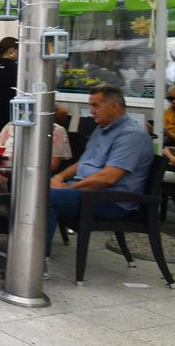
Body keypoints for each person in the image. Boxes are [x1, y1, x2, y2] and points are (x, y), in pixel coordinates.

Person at [46, 84, 154, 261]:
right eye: (91, 106)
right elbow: (83, 163)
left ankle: (37, 261)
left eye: (96, 106)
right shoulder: (101, 129)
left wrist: (67, 190)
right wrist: (59, 177)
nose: (91, 112)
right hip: (86, 192)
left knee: (42, 199)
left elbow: (108, 178)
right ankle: (22, 249)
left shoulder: (131, 135)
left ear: (114, 106)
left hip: (111, 200)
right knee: (28, 189)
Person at [0, 110, 71, 198]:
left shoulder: (55, 130)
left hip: (29, 176)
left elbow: (53, 164)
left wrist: (21, 163)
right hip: (1, 171)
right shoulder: (12, 125)